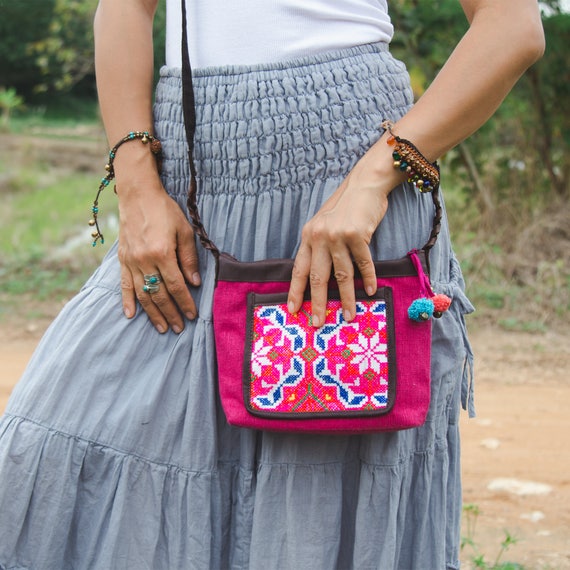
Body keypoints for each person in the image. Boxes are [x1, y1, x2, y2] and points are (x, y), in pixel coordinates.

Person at [0, 0, 544, 568]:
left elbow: (512, 26)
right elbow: (125, 9)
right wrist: (135, 188)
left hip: (350, 188)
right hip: (189, 179)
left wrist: (373, 179)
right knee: (52, 438)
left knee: (315, 477)